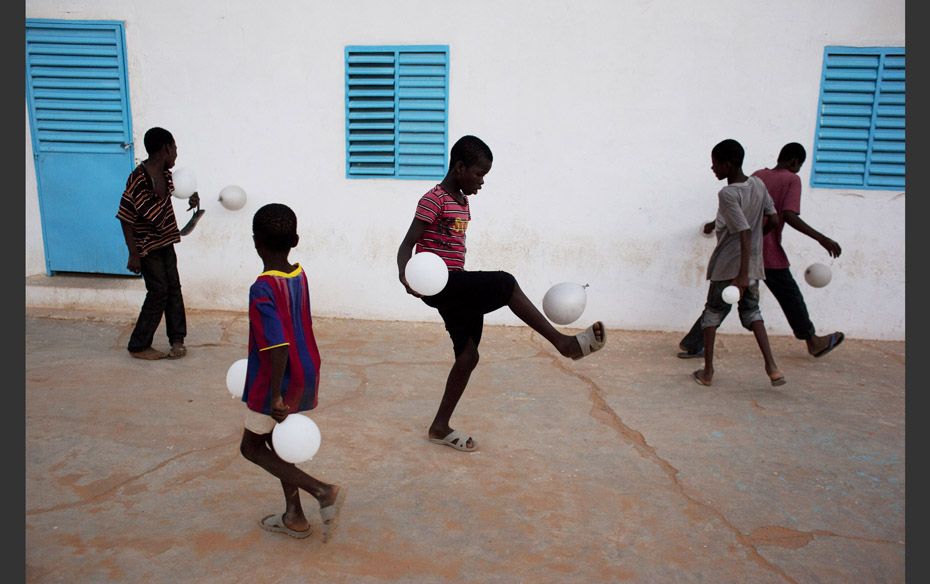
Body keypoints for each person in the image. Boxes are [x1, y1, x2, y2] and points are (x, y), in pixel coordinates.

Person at [396, 135, 607, 453]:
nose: (481, 182)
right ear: (460, 167)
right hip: (442, 285)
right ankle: (563, 344)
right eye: (479, 174)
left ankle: (440, 426)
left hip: (457, 286)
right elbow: (407, 243)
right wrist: (404, 274)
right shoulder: (433, 199)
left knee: (468, 357)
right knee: (505, 284)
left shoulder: (462, 201)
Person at [238, 203, 344, 541]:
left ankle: (321, 490)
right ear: (295, 240)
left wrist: (274, 397)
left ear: (256, 242)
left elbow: (276, 344)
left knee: (252, 448)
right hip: (305, 371)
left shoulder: (262, 288)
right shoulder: (299, 274)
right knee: (279, 443)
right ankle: (294, 515)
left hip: (276, 380)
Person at [678, 142, 844, 359]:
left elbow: (737, 211)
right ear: (795, 162)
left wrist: (712, 224)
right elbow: (788, 216)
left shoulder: (758, 176)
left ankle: (693, 343)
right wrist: (821, 238)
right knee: (788, 297)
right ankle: (811, 341)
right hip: (764, 252)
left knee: (723, 301)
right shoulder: (790, 179)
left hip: (741, 252)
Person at [690, 139, 785, 387]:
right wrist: (755, 244)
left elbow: (742, 230)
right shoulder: (758, 184)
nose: (713, 169)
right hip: (753, 266)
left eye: (716, 164)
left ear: (729, 165)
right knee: (753, 313)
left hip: (729, 267)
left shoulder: (728, 193)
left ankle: (708, 372)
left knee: (712, 315)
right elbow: (773, 220)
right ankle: (772, 368)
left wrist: (740, 274)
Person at [116, 127, 198, 360]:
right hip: (147, 247)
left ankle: (177, 340)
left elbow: (175, 193)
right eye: (175, 149)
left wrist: (192, 197)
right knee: (158, 291)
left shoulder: (166, 175)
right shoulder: (138, 180)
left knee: (173, 288)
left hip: (166, 241)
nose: (176, 155)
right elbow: (125, 217)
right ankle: (139, 345)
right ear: (166, 149)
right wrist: (133, 254)